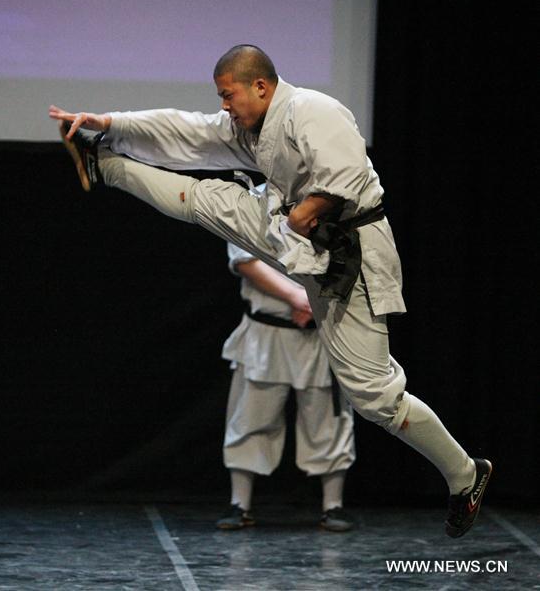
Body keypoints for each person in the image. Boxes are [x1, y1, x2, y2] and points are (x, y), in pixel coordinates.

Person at [49, 44, 491, 538]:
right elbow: (186, 131)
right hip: (296, 236)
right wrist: (108, 123)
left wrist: (309, 208)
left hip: (351, 254)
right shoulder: (253, 129)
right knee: (202, 200)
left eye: (228, 94)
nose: (224, 105)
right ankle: (102, 160)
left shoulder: (312, 110)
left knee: (373, 398)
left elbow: (348, 167)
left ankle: (465, 475)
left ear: (260, 86)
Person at [218, 240, 355, 533]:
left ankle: (333, 505)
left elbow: (348, 259)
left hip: (321, 329)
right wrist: (294, 297)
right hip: (267, 330)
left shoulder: (332, 204)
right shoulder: (252, 203)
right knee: (251, 416)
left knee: (328, 419)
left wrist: (313, 301)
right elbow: (244, 260)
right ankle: (239, 504)